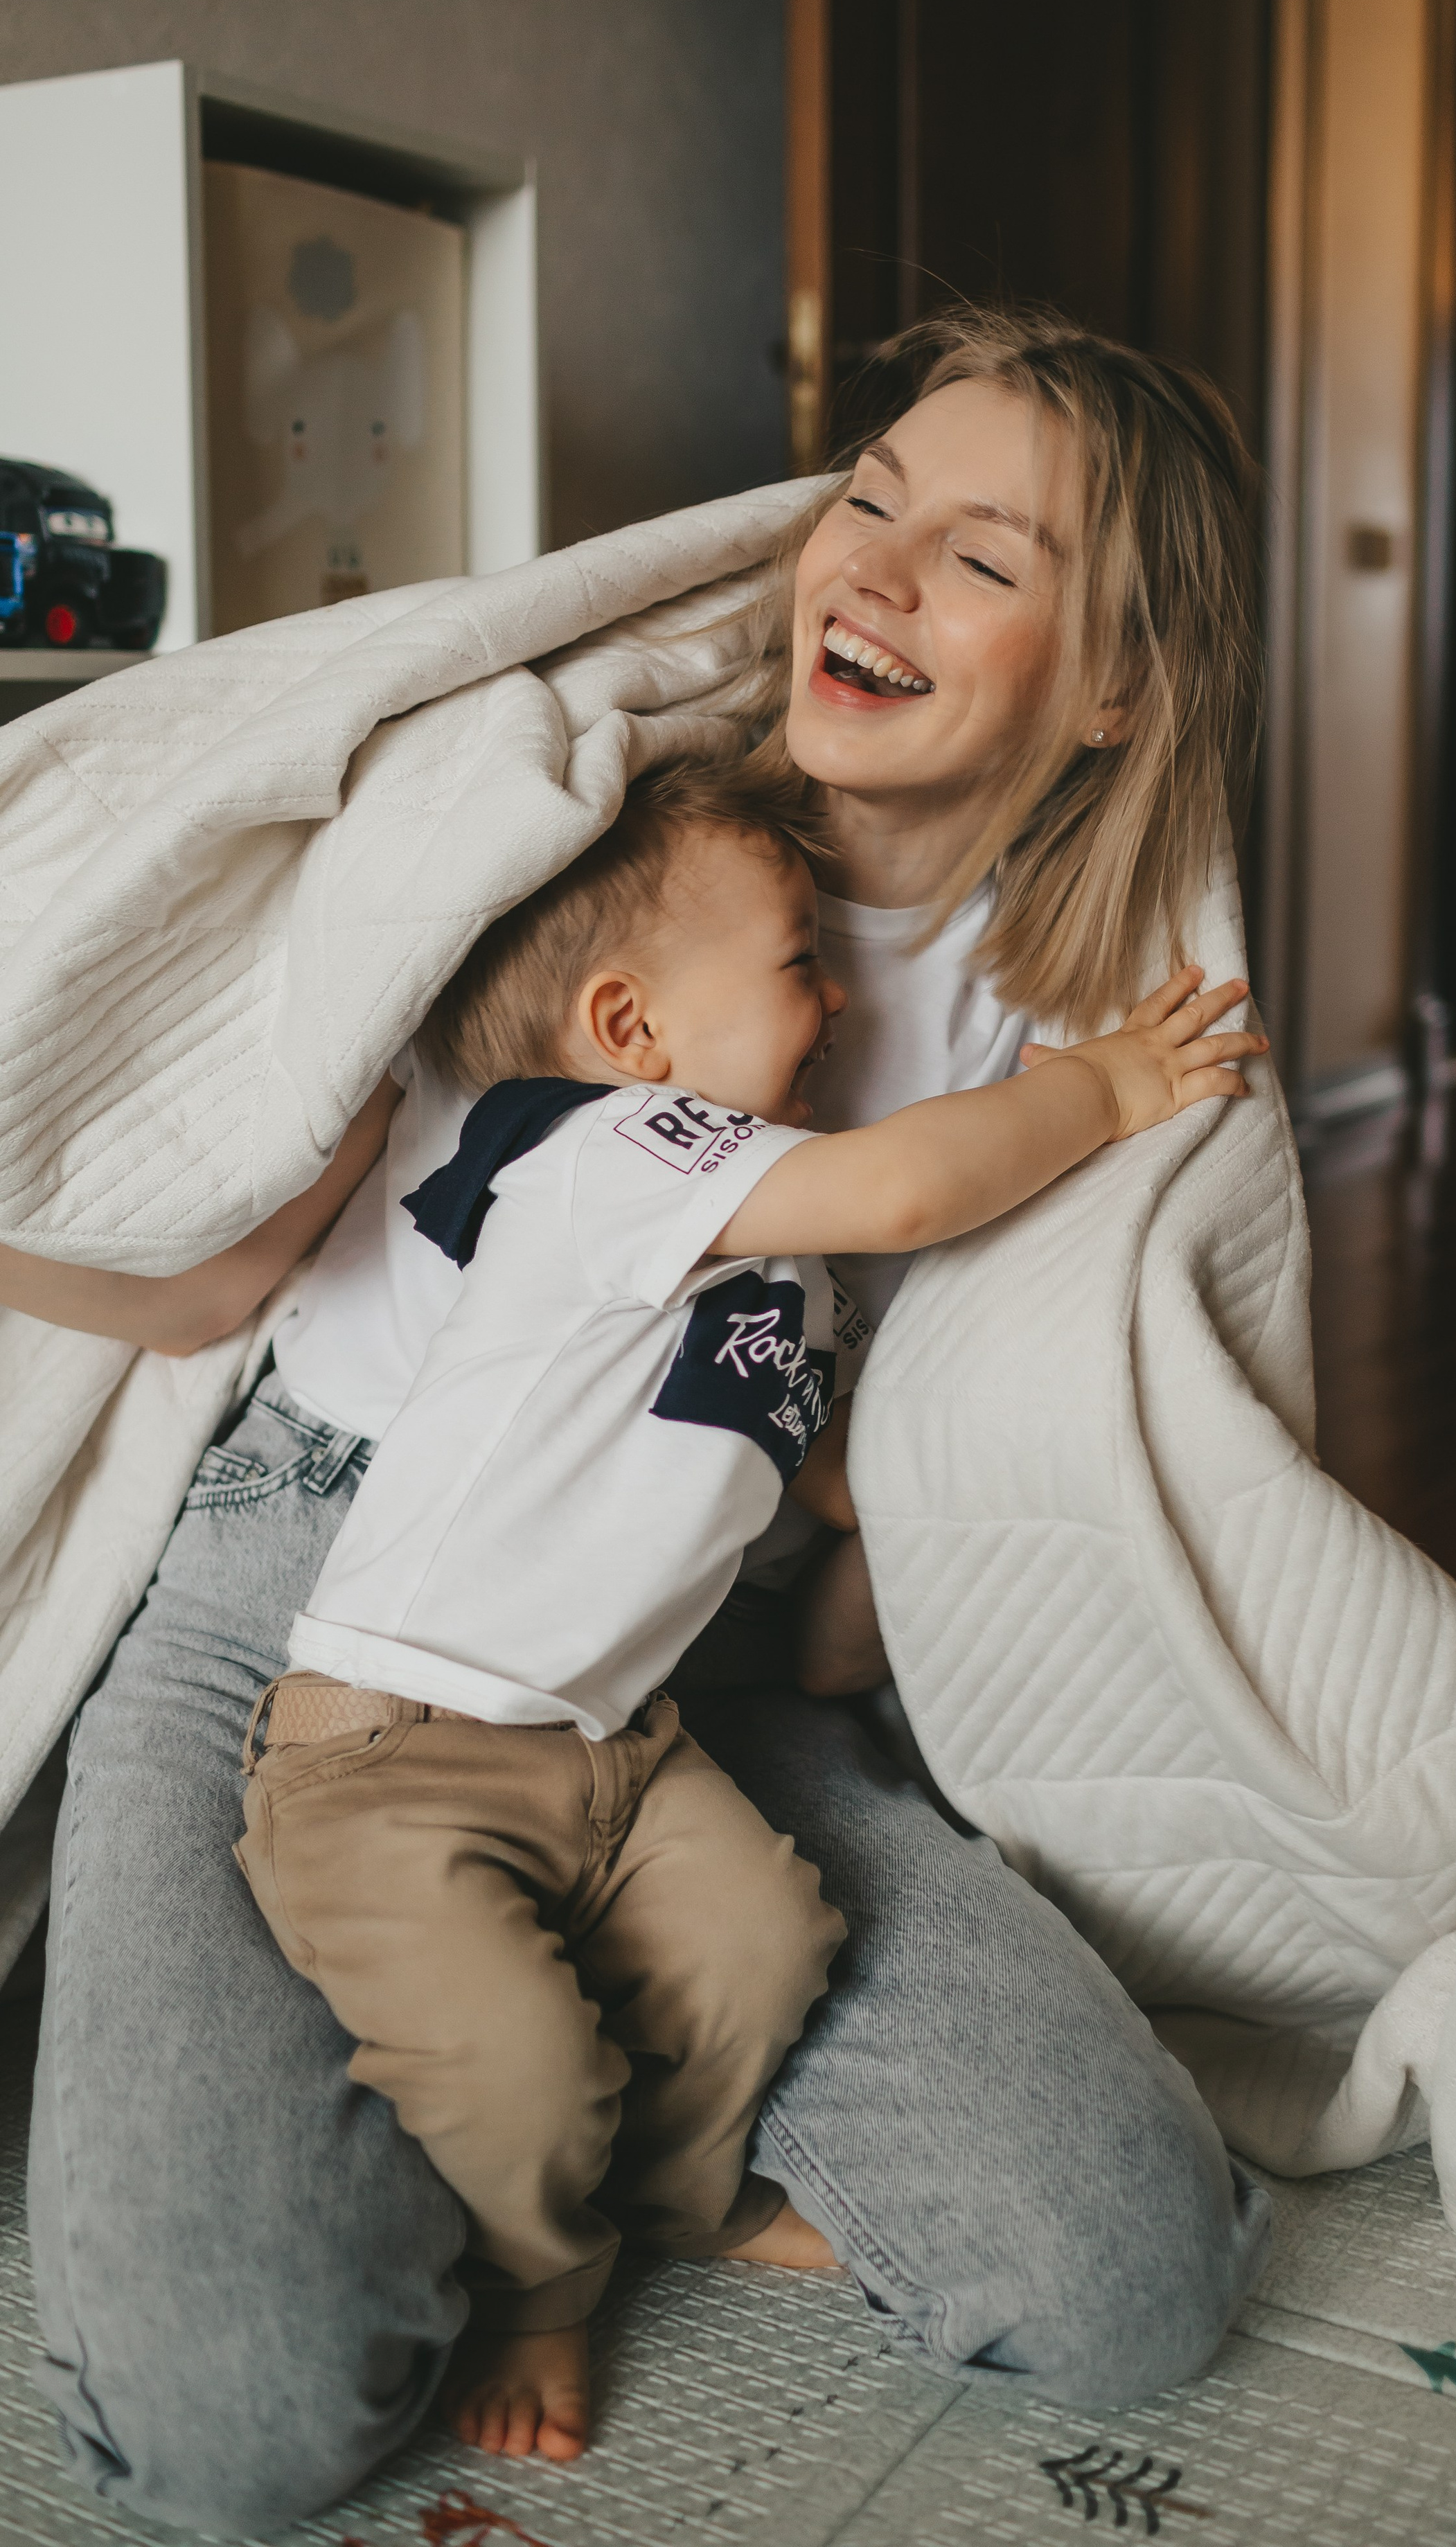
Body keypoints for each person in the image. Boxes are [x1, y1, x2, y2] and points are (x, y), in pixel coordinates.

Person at [12, 305, 1279, 2534]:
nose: (870, 568)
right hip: (308, 1615)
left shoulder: (1097, 1007)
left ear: (1119, 689)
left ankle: (534, 2069)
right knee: (230, 2421)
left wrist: (874, 1566)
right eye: (867, 496)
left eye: (982, 554)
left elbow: (1020, 1458)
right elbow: (220, 1246)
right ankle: (462, 2082)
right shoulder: (588, 847)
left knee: (1125, 2272)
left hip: (675, 1661)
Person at [236, 754, 1265, 2463]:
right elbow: (909, 1186)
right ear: (633, 1028)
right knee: (517, 2063)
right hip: (390, 1754)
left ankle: (679, 2194)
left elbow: (830, 1481)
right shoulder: (603, 1154)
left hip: (611, 1750)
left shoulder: (766, 1263)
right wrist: (1100, 1090)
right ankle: (538, 2284)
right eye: (795, 961)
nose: (838, 994)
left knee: (764, 1939)